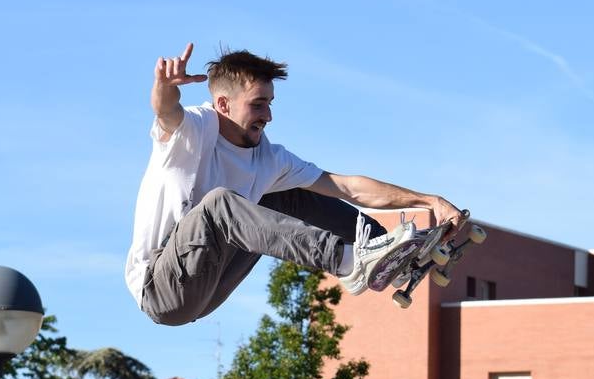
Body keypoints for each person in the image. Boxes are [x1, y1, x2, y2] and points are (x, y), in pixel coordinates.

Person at [124, 43, 465, 326]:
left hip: (212, 288)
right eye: (257, 105)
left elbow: (346, 187)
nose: (268, 117)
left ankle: (385, 249)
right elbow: (166, 111)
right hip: (162, 287)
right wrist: (164, 86)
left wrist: (426, 200)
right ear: (224, 104)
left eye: (270, 104)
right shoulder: (196, 130)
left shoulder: (270, 158)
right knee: (220, 205)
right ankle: (349, 261)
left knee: (286, 192)